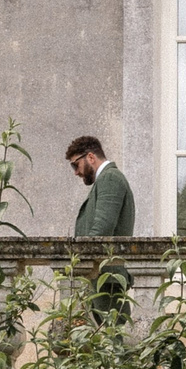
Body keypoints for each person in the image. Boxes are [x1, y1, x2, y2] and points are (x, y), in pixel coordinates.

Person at [65, 135, 135, 319]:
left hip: (106, 279)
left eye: (75, 165)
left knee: (113, 342)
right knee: (104, 342)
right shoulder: (107, 179)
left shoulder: (110, 178)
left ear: (90, 157)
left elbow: (101, 231)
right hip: (101, 278)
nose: (75, 172)